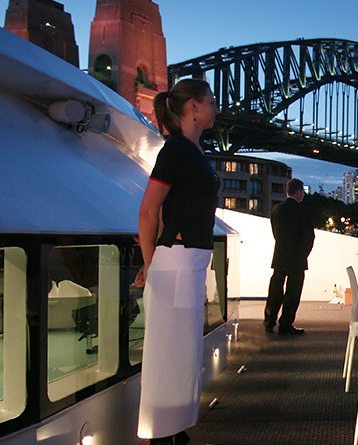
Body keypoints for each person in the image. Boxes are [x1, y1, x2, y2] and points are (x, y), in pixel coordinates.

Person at [135, 78, 219, 445]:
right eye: (211, 101)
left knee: (183, 354)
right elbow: (149, 210)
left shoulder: (192, 151)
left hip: (189, 261)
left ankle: (175, 431)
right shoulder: (175, 151)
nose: (216, 108)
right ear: (194, 107)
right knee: (169, 353)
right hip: (178, 262)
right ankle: (161, 436)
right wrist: (151, 264)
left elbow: (169, 211)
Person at [265, 178, 315, 335]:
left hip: (280, 255)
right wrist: (303, 253)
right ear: (299, 193)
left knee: (275, 290)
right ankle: (285, 324)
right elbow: (309, 237)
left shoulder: (277, 209)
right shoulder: (303, 211)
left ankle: (269, 321)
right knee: (293, 293)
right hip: (297, 258)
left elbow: (275, 233)